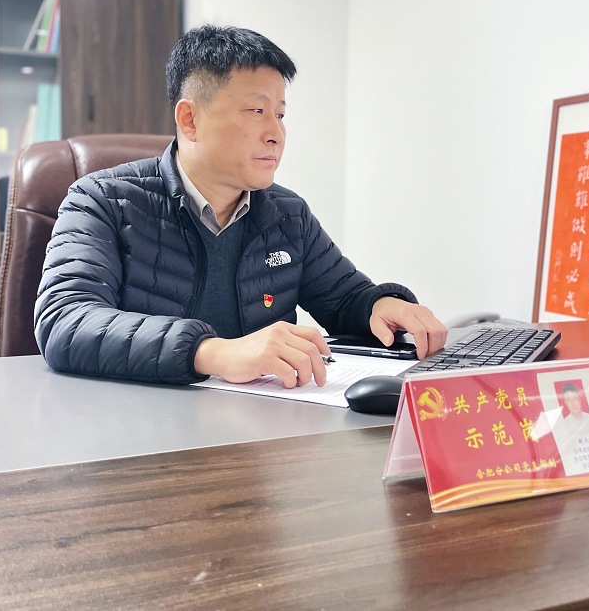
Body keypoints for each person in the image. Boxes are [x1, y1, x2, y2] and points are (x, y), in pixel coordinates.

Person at [35, 25, 447, 388]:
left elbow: (344, 299)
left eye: (280, 114)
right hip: (138, 434)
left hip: (261, 434)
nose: (276, 134)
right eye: (257, 111)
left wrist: (379, 305)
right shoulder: (103, 201)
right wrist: (214, 353)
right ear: (189, 120)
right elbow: (64, 321)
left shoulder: (288, 215)